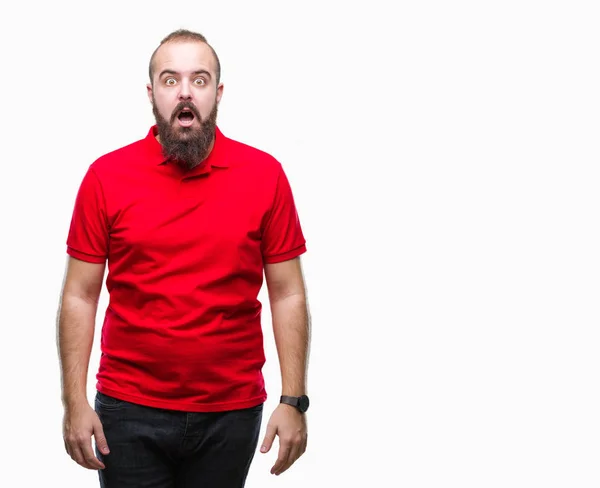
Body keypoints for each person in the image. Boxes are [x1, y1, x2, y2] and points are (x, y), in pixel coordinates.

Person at [56, 28, 311, 488]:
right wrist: (73, 401)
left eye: (200, 78)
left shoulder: (264, 175)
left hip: (231, 413)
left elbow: (288, 293)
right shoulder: (106, 177)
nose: (186, 91)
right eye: (171, 80)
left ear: (218, 92)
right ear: (152, 93)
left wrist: (293, 400)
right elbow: (79, 295)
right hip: (128, 410)